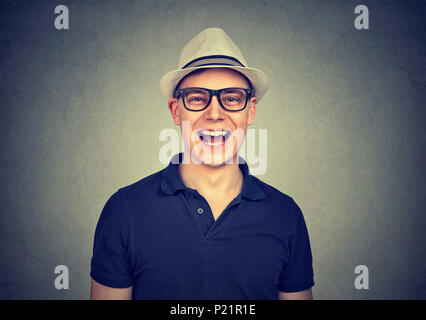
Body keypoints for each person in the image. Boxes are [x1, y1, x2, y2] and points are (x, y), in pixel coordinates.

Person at [90, 28, 314, 300]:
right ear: (176, 110)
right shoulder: (124, 210)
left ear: (250, 110)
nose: (215, 114)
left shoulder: (285, 215)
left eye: (232, 98)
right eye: (197, 98)